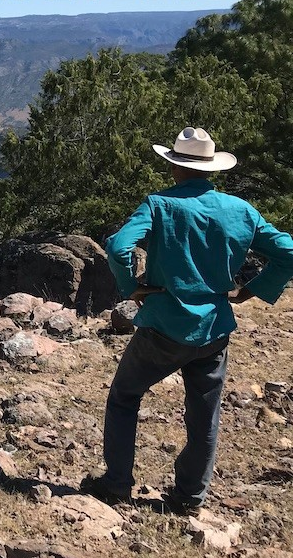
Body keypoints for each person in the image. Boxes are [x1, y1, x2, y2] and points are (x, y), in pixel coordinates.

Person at [81, 126, 293, 514]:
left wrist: (131, 286)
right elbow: (288, 253)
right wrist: (251, 290)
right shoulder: (240, 210)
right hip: (213, 329)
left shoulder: (159, 204)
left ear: (175, 166)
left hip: (163, 325)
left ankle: (116, 485)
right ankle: (189, 497)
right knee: (204, 415)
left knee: (125, 397)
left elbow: (118, 246)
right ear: (211, 168)